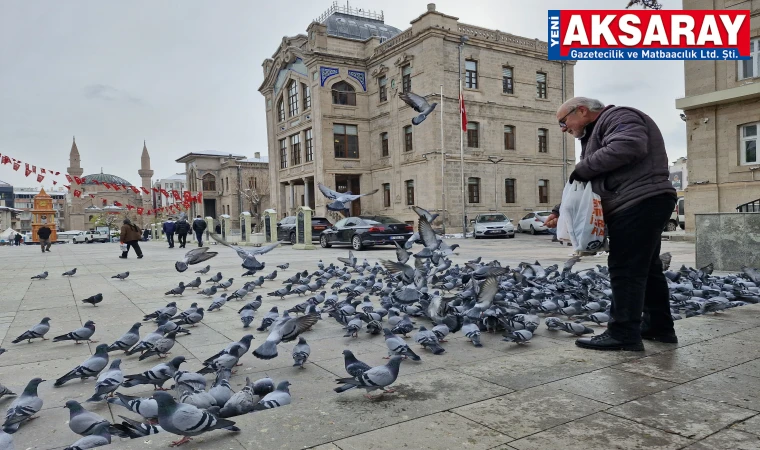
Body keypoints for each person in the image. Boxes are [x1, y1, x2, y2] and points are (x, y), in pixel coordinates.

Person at [557, 96, 677, 352]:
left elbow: (629, 146)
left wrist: (582, 168)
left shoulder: (619, 117)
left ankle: (623, 334)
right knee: (649, 269)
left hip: (638, 201)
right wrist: (559, 210)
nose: (564, 129)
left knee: (625, 269)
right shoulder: (596, 132)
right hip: (643, 200)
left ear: (582, 110)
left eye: (563, 122)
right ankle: (659, 327)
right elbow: (592, 184)